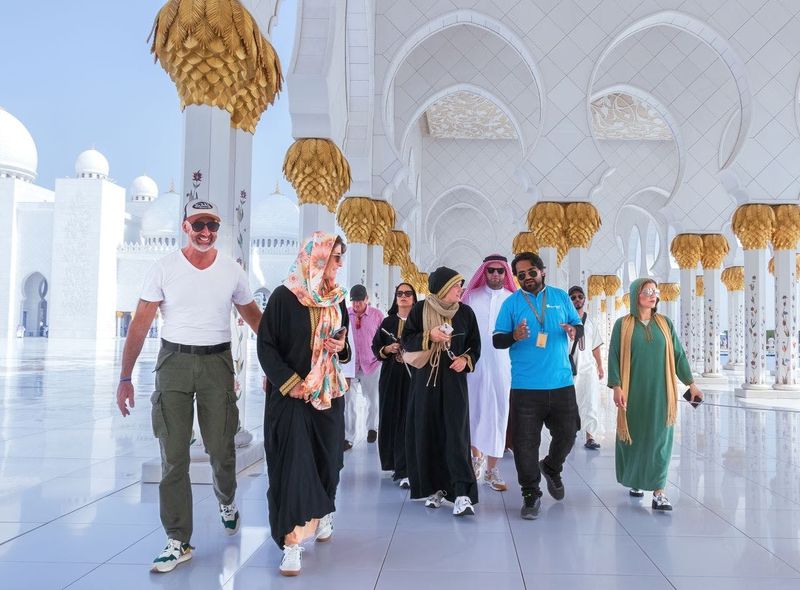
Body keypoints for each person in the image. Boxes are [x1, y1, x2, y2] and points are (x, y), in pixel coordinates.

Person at [116, 199, 262, 573]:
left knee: (220, 447)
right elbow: (140, 323)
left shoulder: (232, 271)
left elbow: (257, 320)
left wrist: (285, 362)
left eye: (212, 226)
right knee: (174, 455)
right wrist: (125, 377)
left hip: (216, 362)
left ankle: (226, 500)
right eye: (199, 225)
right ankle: (178, 539)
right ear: (185, 226)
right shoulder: (164, 268)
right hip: (174, 363)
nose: (206, 233)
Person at [257, 232, 351, 576]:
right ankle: (292, 542)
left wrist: (340, 348)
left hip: (328, 395)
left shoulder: (337, 299)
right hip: (291, 398)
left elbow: (347, 347)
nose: (339, 264)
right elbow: (266, 346)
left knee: (330, 462)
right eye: (335, 257)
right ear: (317, 258)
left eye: (340, 257)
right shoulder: (284, 297)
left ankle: (324, 510)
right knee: (294, 466)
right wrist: (290, 382)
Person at [493, 252, 584, 520]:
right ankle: (530, 493)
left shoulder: (559, 297)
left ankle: (552, 467)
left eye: (531, 272)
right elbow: (498, 339)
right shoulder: (511, 304)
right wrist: (514, 335)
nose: (527, 278)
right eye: (520, 275)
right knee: (525, 444)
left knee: (568, 434)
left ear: (542, 271)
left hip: (561, 382)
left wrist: (573, 331)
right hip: (525, 387)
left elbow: (578, 326)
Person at [607, 278, 702, 511]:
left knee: (661, 439)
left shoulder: (664, 323)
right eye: (647, 291)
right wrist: (616, 386)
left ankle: (659, 490)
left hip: (662, 392)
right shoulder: (623, 324)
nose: (653, 295)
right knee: (634, 438)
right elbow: (614, 356)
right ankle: (637, 480)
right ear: (635, 295)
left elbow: (678, 355)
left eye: (655, 291)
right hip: (633, 392)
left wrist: (691, 383)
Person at [403, 267, 481, 516]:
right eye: (457, 285)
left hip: (454, 382)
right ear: (444, 288)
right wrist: (429, 336)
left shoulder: (466, 313)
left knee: (456, 435)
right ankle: (435, 489)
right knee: (429, 433)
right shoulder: (420, 310)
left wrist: (465, 360)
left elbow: (475, 345)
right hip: (425, 381)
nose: (461, 289)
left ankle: (462, 494)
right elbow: (407, 340)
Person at [462, 254, 515, 491]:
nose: (495, 274)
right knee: (473, 410)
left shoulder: (513, 300)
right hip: (474, 365)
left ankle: (492, 469)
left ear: (506, 273)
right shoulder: (470, 298)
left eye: (500, 271)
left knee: (498, 413)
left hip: (504, 366)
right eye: (491, 270)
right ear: (484, 272)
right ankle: (476, 459)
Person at [371, 283, 418, 488]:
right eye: (400, 294)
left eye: (408, 294)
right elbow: (376, 348)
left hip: (413, 376)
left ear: (414, 298)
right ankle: (393, 461)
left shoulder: (420, 322)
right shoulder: (387, 322)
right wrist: (387, 348)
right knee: (390, 416)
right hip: (391, 376)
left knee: (409, 418)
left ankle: (407, 466)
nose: (404, 297)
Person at [344, 284, 384, 449]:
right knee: (348, 402)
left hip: (371, 364)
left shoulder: (376, 315)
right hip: (350, 366)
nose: (356, 305)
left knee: (373, 399)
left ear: (367, 299)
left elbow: (384, 336)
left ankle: (371, 428)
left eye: (360, 301)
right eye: (354, 302)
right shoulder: (345, 314)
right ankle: (348, 437)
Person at [568, 285, 604, 450]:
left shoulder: (590, 322)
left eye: (579, 297)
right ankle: (571, 432)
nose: (577, 300)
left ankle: (590, 436)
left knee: (590, 402)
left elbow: (595, 346)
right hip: (569, 369)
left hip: (588, 369)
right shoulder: (565, 321)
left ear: (584, 299)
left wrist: (600, 366)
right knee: (570, 403)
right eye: (573, 297)